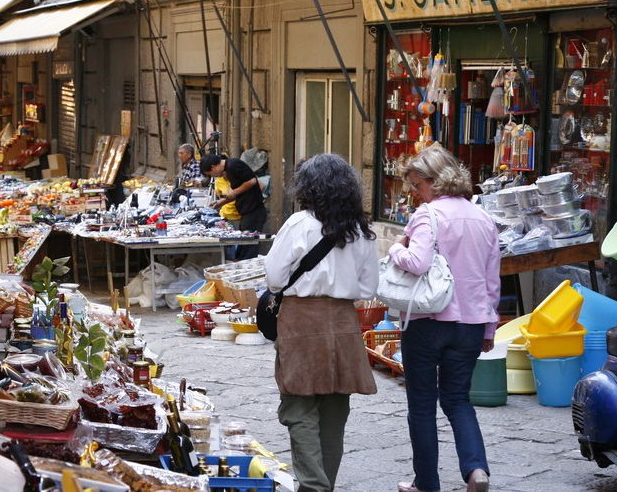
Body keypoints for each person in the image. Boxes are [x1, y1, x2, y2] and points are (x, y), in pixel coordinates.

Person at [262, 154, 378, 492]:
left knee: (299, 405)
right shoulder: (360, 230)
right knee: (334, 409)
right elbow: (370, 287)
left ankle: (314, 486)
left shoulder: (300, 223)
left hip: (301, 319)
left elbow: (274, 277)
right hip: (342, 321)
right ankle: (322, 483)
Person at [391, 148, 497, 492]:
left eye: (417, 185)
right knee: (458, 400)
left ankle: (427, 483)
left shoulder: (428, 215)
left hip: (427, 320)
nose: (415, 193)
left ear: (434, 182)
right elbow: (491, 279)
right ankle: (476, 470)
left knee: (421, 404)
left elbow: (417, 262)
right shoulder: (483, 218)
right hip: (470, 323)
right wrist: (489, 327)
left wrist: (395, 248)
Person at [201, 154, 266, 259]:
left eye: (211, 174)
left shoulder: (233, 165)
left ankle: (248, 273)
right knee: (242, 249)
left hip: (254, 212)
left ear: (213, 167)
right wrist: (221, 203)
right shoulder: (229, 169)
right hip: (246, 213)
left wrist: (234, 192)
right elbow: (238, 193)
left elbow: (252, 181)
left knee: (248, 250)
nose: (215, 176)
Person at [213, 175, 241, 259]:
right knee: (228, 243)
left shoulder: (238, 179)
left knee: (240, 243)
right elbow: (221, 199)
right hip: (225, 215)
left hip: (239, 216)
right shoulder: (218, 182)